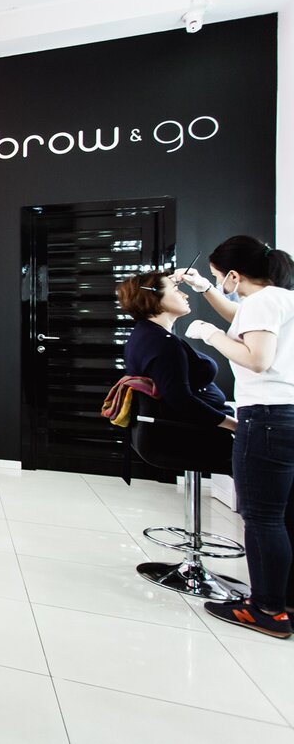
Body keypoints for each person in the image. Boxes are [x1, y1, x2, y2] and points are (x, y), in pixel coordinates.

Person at [176, 236, 294, 639]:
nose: (216, 284)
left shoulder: (262, 302)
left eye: (216, 277)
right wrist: (206, 290)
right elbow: (240, 317)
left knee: (262, 517)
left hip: (266, 416)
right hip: (287, 414)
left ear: (234, 275)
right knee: (282, 514)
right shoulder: (281, 299)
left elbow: (257, 359)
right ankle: (282, 600)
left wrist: (211, 335)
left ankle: (266, 609)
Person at [115, 271, 236, 431]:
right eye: (176, 290)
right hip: (199, 434)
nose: (185, 295)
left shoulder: (145, 334)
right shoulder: (162, 342)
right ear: (155, 298)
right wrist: (234, 426)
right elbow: (181, 401)